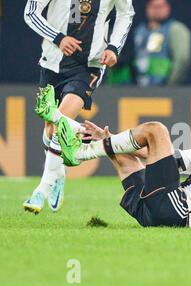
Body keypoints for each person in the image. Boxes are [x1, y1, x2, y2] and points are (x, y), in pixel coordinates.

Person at [34, 85, 191, 229]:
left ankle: (77, 150)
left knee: (156, 129)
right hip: (154, 214)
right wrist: (105, 139)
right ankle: (81, 139)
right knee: (126, 156)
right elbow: (150, 154)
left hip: (178, 212)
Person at [23, 0, 135, 214]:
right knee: (50, 127)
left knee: (61, 120)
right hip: (52, 61)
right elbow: (30, 12)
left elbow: (126, 13)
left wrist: (113, 47)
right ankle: (58, 173)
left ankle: (41, 190)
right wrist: (58, 38)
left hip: (89, 64)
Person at [134, 0, 191, 86]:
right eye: (153, 6)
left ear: (168, 8)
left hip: (163, 88)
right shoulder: (139, 30)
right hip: (137, 87)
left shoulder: (176, 29)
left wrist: (169, 85)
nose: (157, 10)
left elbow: (182, 59)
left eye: (160, 6)